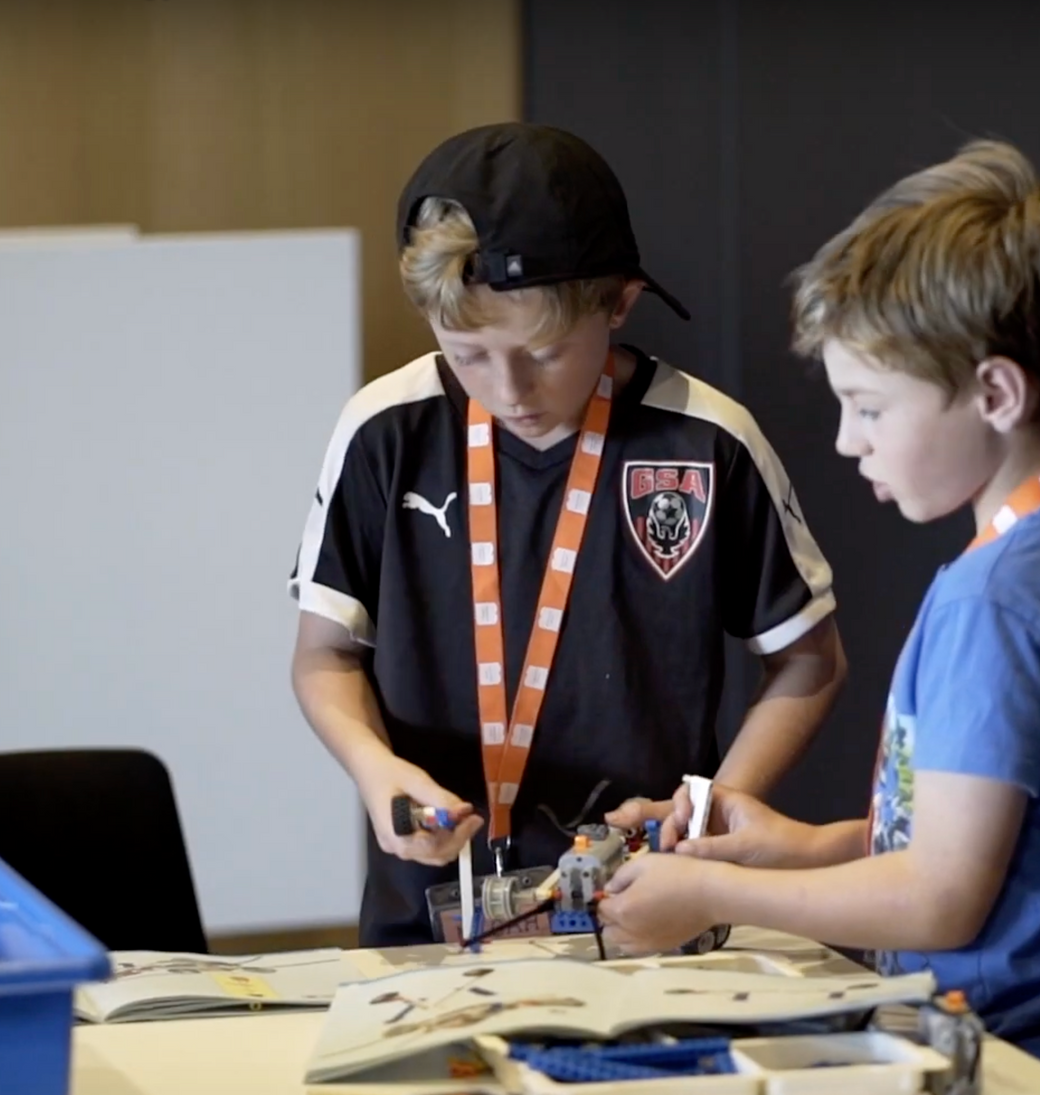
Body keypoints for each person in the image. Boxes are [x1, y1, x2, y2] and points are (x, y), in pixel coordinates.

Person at [595, 140, 1040, 1094]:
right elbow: (995, 843)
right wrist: (794, 846)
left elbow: (941, 897)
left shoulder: (995, 599)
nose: (848, 440)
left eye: (871, 406)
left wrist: (711, 892)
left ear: (996, 392)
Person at [288, 122, 847, 947]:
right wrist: (376, 771)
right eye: (468, 354)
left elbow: (810, 658)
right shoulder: (383, 429)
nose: (509, 389)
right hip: (430, 919)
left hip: (648, 915)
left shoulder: (707, 441)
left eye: (544, 352)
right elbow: (324, 656)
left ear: (619, 301)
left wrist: (710, 806)